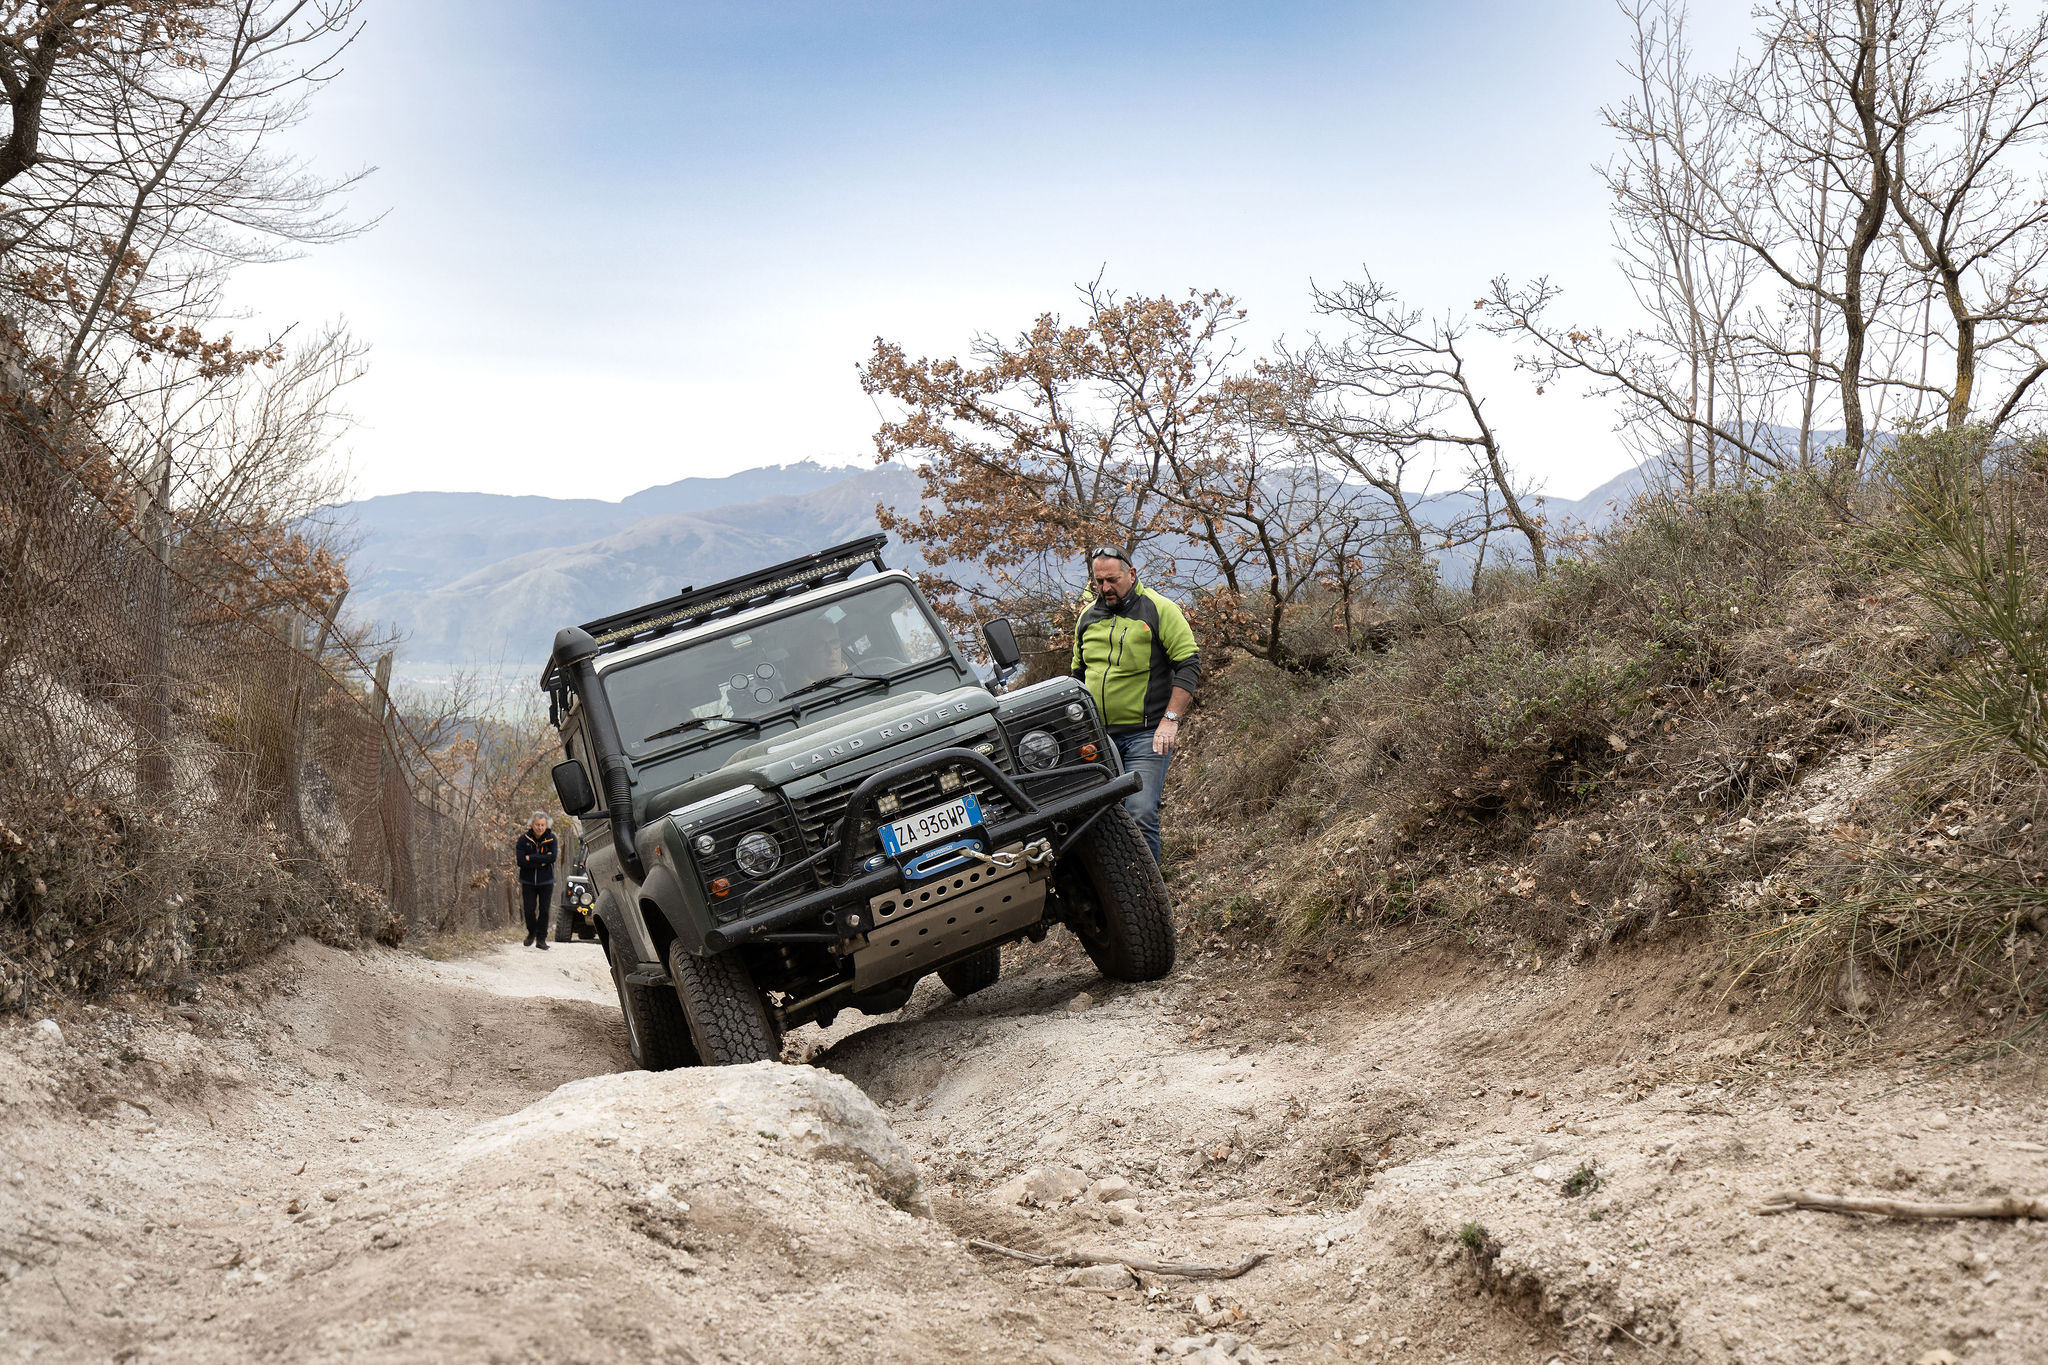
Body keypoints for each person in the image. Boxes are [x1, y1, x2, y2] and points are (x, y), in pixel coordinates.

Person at [1069, 547, 1199, 862]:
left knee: (1140, 812)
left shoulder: (1159, 609)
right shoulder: (1087, 617)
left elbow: (1189, 664)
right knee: (1099, 821)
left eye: (1112, 580)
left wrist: (1171, 719)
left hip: (1147, 734)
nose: (1105, 588)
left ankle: (1149, 898)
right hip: (1100, 739)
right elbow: (1076, 677)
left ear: (1132, 574)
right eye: (1099, 581)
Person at [515, 811, 558, 949]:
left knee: (544, 910)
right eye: (537, 825)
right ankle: (531, 932)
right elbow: (521, 861)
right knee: (529, 910)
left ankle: (541, 939)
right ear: (532, 825)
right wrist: (541, 860)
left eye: (542, 825)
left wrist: (531, 857)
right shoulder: (523, 839)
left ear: (546, 825)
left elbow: (552, 858)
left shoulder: (552, 839)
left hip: (546, 881)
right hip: (528, 881)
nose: (540, 827)